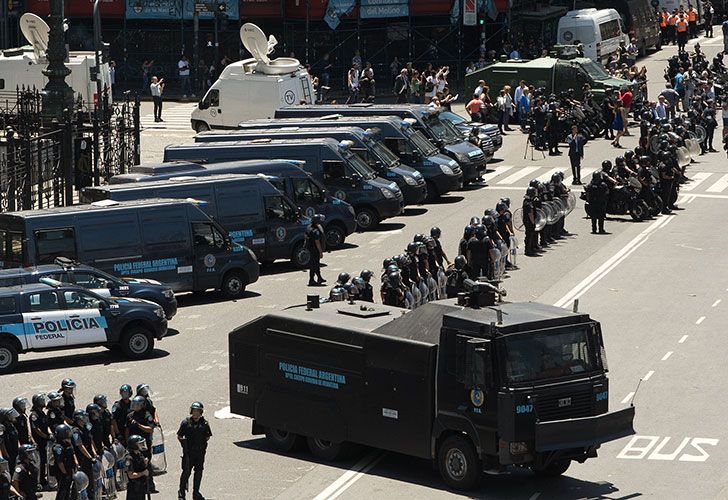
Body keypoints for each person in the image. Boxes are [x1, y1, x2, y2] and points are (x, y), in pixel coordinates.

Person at [177, 402, 212, 500]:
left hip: (200, 452)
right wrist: (184, 445)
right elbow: (179, 436)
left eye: (197, 411)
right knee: (186, 472)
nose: (195, 413)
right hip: (189, 453)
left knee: (199, 472)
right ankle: (181, 492)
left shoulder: (204, 423)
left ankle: (196, 492)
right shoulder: (186, 423)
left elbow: (207, 436)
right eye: (194, 411)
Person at [126, 396, 157, 494]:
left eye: (137, 404)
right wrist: (127, 441)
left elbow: (150, 428)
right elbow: (126, 429)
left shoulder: (146, 415)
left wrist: (139, 425)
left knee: (146, 464)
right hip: (133, 444)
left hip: (144, 444)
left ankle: (149, 485)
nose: (134, 406)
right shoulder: (130, 416)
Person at [29, 394, 50, 490]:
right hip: (39, 441)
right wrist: (45, 436)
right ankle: (39, 481)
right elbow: (36, 429)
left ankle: (43, 478)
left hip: (44, 441)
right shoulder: (34, 415)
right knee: (39, 462)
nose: (43, 402)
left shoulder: (42, 413)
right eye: (41, 401)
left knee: (45, 461)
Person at [51, 424, 76, 500]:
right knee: (62, 490)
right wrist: (65, 473)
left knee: (68, 489)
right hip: (62, 472)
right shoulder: (58, 447)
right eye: (67, 432)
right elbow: (60, 462)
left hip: (69, 468)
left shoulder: (67, 443)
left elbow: (72, 454)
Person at [125, 435, 150, 500]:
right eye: (140, 444)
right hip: (134, 488)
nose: (142, 445)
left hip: (141, 486)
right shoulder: (129, 458)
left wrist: (145, 463)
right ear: (134, 445)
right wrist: (143, 473)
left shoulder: (139, 454)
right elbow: (131, 475)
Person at [305, 214, 326, 286]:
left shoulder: (309, 227)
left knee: (316, 264)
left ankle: (319, 278)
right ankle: (311, 280)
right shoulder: (315, 231)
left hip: (309, 248)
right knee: (314, 265)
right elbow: (317, 242)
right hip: (314, 249)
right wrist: (320, 252)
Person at [523, 187, 539, 256]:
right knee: (529, 236)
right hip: (529, 222)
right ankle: (528, 250)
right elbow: (530, 214)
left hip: (528, 221)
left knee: (530, 235)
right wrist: (533, 222)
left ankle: (531, 248)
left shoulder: (527, 200)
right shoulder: (528, 203)